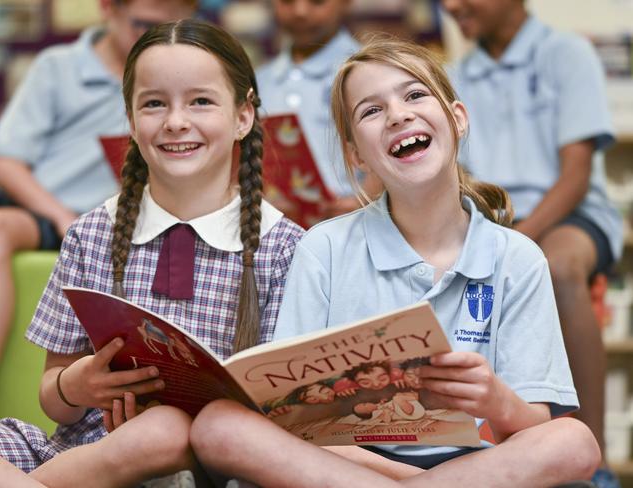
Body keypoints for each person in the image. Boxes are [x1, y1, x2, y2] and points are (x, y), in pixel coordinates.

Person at [189, 36, 601, 487]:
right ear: (356, 155)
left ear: (457, 119)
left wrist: (496, 399)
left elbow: (534, 428)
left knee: (574, 441)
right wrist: (399, 476)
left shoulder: (517, 257)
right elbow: (292, 417)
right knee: (218, 426)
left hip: (481, 465)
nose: (398, 115)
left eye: (415, 94)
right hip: (353, 465)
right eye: (371, 111)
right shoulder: (324, 247)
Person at [0, 19, 304, 487]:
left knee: (163, 430)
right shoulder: (91, 234)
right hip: (79, 460)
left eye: (200, 101)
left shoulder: (284, 247)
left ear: (243, 116)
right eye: (154, 104)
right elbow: (52, 396)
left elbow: (291, 415)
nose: (176, 121)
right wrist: (77, 385)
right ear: (131, 122)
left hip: (209, 467)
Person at [0, 0, 198, 421]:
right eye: (141, 24)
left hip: (107, 218)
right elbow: (7, 163)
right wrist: (62, 215)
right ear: (107, 10)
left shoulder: (179, 82)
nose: (151, 36)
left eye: (170, 26)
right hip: (43, 204)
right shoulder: (59, 67)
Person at [442, 1, 623, 486]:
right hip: (488, 214)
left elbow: (576, 175)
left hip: (570, 212)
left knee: (558, 268)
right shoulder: (457, 73)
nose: (451, 6)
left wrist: (519, 240)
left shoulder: (566, 54)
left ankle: (596, 461)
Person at [256, 0, 381, 222]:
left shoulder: (374, 71)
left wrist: (369, 197)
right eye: (287, 1)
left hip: (360, 225)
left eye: (317, 1)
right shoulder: (259, 81)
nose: (300, 11)